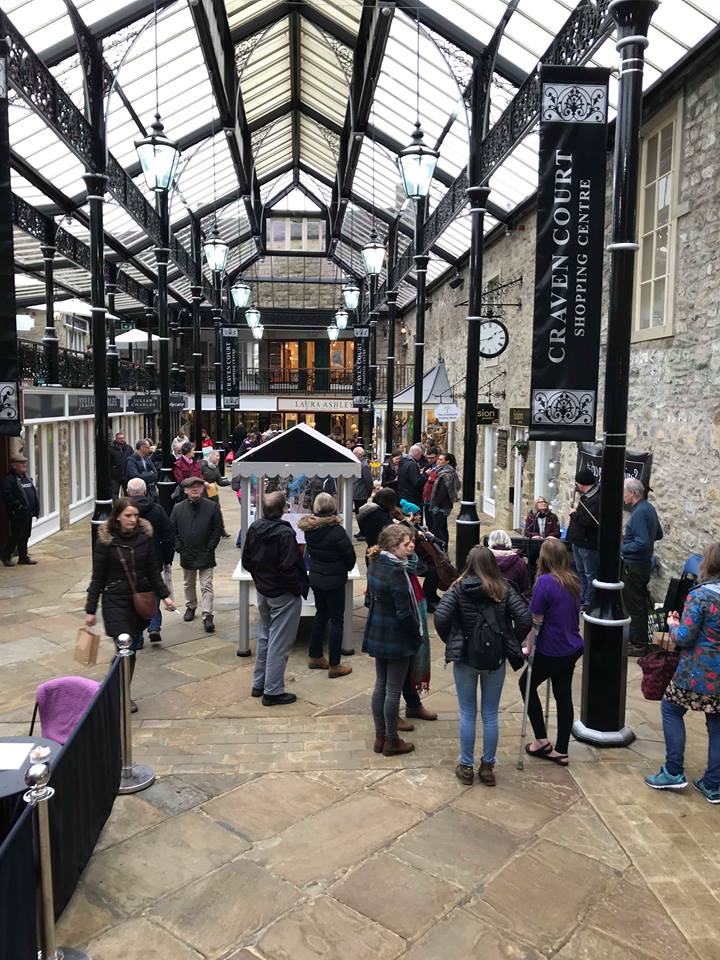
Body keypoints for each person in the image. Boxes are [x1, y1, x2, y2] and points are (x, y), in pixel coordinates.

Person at [434, 546, 531, 785]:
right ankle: (487, 767)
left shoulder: (458, 588)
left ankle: (466, 766)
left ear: (469, 563)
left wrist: (453, 639)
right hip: (494, 659)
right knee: (490, 714)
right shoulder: (503, 588)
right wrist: (508, 640)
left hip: (466, 659)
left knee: (468, 714)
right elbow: (524, 618)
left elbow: (441, 617)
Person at [644, 543, 720, 802]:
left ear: (708, 564)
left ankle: (673, 771)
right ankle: (713, 784)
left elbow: (685, 637)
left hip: (695, 672)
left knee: (671, 709)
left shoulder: (701, 595)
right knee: (717, 725)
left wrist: (673, 624)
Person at [85, 498, 175, 711]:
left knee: (131, 650)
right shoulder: (105, 542)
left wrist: (165, 596)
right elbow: (97, 578)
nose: (133, 519)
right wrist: (90, 609)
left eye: (135, 515)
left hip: (138, 600)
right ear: (117, 516)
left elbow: (153, 571)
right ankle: (121, 695)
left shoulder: (145, 538)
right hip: (115, 601)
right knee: (123, 646)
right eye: (128, 515)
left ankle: (117, 687)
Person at [520, 538, 584, 765]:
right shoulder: (573, 580)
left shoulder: (545, 582)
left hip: (552, 649)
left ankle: (541, 740)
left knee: (526, 685)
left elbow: (536, 621)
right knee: (563, 695)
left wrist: (529, 648)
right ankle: (561, 750)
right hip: (572, 646)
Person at [242, 492, 309, 706]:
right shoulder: (284, 533)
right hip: (282, 593)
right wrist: (297, 588)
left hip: (264, 590)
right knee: (279, 643)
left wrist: (261, 579)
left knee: (265, 637)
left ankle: (259, 684)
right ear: (282, 510)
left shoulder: (255, 528)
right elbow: (289, 566)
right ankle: (272, 691)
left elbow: (247, 560)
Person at [363, 524, 423, 756]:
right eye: (406, 544)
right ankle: (392, 740)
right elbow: (404, 612)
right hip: (396, 636)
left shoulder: (376, 563)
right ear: (392, 546)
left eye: (412, 542)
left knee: (381, 685)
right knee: (393, 690)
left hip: (378, 631)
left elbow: (369, 599)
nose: (411, 546)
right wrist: (416, 635)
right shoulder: (396, 571)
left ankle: (380, 737)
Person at [298, 493, 356, 678]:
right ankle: (335, 664)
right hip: (334, 580)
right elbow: (350, 557)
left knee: (321, 615)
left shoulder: (310, 529)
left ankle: (315, 655)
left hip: (317, 577)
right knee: (337, 620)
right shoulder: (337, 531)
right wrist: (344, 567)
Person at [170, 476, 223, 633]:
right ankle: (191, 606)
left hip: (205, 552)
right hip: (187, 552)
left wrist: (211, 546)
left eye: (198, 486)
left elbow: (217, 528)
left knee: (206, 585)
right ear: (185, 490)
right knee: (188, 583)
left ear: (202, 489)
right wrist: (179, 547)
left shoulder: (212, 507)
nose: (195, 489)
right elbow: (172, 530)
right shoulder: (178, 508)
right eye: (191, 487)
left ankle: (207, 614)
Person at [126, 478, 175, 646]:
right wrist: (167, 558)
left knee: (134, 596)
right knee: (153, 592)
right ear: (145, 491)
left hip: (130, 561)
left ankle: (138, 637)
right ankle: (154, 626)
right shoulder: (157, 509)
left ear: (128, 493)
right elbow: (168, 535)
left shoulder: (123, 512)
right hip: (153, 559)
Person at [622, 477, 663, 656]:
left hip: (635, 565)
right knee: (638, 603)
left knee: (635, 605)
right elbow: (658, 534)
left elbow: (643, 542)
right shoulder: (648, 507)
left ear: (632, 493)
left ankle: (639, 644)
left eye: (624, 491)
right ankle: (639, 640)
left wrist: (623, 547)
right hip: (643, 564)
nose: (623, 495)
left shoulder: (639, 512)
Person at [566, 468, 601, 610]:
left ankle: (589, 600)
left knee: (590, 573)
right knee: (580, 571)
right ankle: (582, 595)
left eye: (577, 483)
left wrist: (574, 514)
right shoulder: (585, 496)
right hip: (578, 540)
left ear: (583, 483)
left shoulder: (596, 499)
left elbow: (589, 521)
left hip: (588, 543)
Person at [1, 454, 39, 566]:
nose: (24, 465)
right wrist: (18, 506)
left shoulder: (25, 477)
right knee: (16, 536)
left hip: (28, 513)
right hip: (18, 514)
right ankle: (5, 556)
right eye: (21, 463)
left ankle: (23, 557)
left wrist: (34, 509)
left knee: (25, 535)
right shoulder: (9, 479)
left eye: (25, 462)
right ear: (14, 465)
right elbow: (7, 495)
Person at [429, 452, 460, 544]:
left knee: (437, 529)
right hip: (444, 505)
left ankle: (441, 546)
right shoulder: (442, 471)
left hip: (443, 506)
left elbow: (443, 492)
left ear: (447, 461)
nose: (438, 461)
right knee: (442, 527)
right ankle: (444, 546)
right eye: (438, 459)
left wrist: (436, 506)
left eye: (441, 459)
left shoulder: (446, 474)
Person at [487, 529, 529, 595]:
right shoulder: (519, 561)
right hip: (512, 598)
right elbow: (524, 587)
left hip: (488, 597)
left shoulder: (483, 559)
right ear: (508, 541)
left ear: (490, 541)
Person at [201, 450, 231, 537]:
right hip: (203, 491)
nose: (218, 458)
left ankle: (221, 530)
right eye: (216, 456)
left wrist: (230, 482)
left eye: (219, 456)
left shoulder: (216, 468)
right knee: (205, 511)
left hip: (212, 490)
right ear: (211, 456)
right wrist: (203, 482)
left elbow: (220, 481)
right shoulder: (202, 465)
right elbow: (197, 476)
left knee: (217, 510)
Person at [397, 444, 426, 512]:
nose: (420, 457)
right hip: (412, 498)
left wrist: (418, 473)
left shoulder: (403, 462)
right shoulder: (412, 464)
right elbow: (416, 482)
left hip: (404, 495)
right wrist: (425, 475)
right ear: (416, 454)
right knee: (415, 516)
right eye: (420, 455)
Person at [352, 446, 374, 524]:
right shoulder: (359, 464)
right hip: (358, 493)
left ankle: (362, 529)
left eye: (354, 453)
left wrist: (369, 493)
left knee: (360, 514)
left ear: (359, 454)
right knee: (358, 513)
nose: (353, 455)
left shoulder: (364, 465)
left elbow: (368, 481)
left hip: (361, 494)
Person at [421, 450, 439, 532]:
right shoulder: (427, 467)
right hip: (426, 500)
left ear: (436, 457)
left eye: (432, 458)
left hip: (435, 500)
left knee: (436, 525)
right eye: (428, 458)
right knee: (429, 523)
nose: (429, 460)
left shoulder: (439, 468)